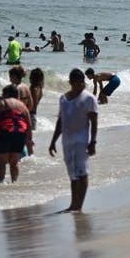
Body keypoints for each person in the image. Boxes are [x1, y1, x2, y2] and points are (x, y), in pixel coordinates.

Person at [49, 68, 99, 212]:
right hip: (67, 141)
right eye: (76, 82)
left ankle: (79, 206)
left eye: (82, 82)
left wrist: (93, 142)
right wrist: (53, 141)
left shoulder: (89, 98)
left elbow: (93, 122)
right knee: (72, 173)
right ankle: (73, 204)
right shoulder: (63, 99)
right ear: (70, 82)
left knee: (82, 172)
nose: (80, 85)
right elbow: (60, 121)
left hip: (81, 141)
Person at [0, 84, 30, 184]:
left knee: (2, 162)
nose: (2, 95)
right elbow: (28, 123)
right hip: (20, 133)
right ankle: (14, 182)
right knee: (14, 162)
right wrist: (29, 138)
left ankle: (1, 181)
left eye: (3, 93)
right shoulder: (22, 105)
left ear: (7, 94)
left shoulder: (2, 103)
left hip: (5, 132)